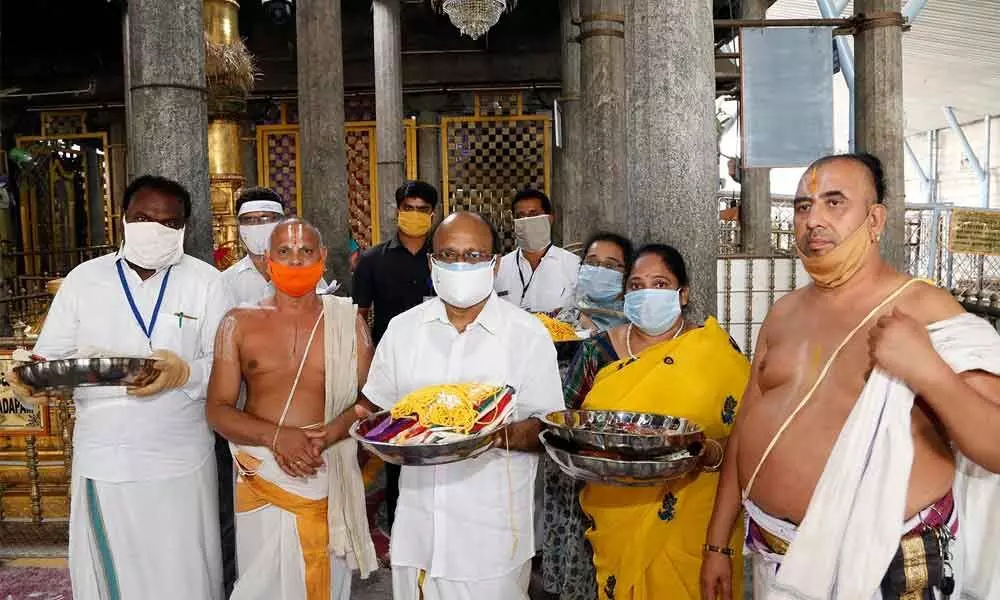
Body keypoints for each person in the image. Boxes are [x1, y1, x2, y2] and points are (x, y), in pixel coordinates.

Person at [701, 153, 1000, 600]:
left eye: (834, 202)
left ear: (875, 219)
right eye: (803, 206)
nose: (813, 220)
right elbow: (747, 425)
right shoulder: (783, 314)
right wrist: (716, 541)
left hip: (883, 569)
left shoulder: (926, 310)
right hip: (773, 560)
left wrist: (929, 370)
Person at [6, 175, 232, 599]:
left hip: (180, 455)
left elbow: (225, 366)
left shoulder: (206, 281)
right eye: (144, 217)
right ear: (123, 219)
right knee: (113, 576)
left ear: (184, 228)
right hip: (104, 455)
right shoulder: (84, 280)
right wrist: (31, 378)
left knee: (182, 568)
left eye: (168, 222)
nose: (155, 229)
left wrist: (186, 373)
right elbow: (51, 357)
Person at [362, 211, 563, 600]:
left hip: (490, 543)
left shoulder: (527, 335)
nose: (460, 264)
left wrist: (484, 435)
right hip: (417, 536)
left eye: (473, 256)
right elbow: (374, 412)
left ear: (496, 263)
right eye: (449, 255)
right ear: (431, 262)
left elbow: (546, 426)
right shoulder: (403, 330)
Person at [558, 244, 747, 600]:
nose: (647, 293)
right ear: (624, 293)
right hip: (616, 515)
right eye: (636, 284)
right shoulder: (598, 351)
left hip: (700, 524)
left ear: (683, 294)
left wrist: (710, 453)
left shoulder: (715, 350)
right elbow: (566, 424)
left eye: (660, 284)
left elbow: (746, 435)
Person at [206, 218, 378, 600]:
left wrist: (333, 432)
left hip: (326, 466)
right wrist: (277, 438)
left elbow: (374, 399)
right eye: (284, 252)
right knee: (260, 583)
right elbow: (217, 410)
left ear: (321, 258)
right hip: (261, 471)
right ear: (268, 260)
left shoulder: (347, 322)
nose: (296, 261)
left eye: (305, 252)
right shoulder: (238, 322)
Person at [352, 180, 439, 535]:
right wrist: (366, 367)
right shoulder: (373, 261)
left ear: (433, 215)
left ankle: (438, 521)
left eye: (422, 209)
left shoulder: (445, 259)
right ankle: (400, 521)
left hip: (441, 362)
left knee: (441, 437)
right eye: (409, 208)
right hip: (394, 369)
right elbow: (360, 316)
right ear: (397, 211)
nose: (414, 215)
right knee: (398, 443)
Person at [223, 187, 329, 307]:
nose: (257, 226)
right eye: (249, 219)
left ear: (281, 223)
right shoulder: (226, 281)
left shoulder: (305, 274)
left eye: (266, 218)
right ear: (239, 226)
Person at [495, 189, 580, 314]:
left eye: (533, 215)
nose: (526, 220)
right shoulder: (499, 268)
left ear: (549, 219)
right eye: (520, 216)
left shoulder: (573, 265)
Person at [554, 232, 633, 334]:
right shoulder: (569, 313)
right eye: (591, 263)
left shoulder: (633, 323)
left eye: (609, 265)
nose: (599, 270)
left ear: (626, 273)